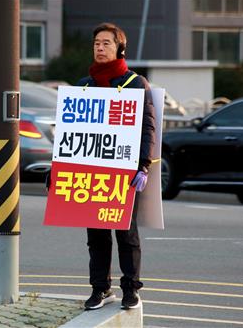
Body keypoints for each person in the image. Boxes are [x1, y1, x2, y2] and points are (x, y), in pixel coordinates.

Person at [77, 23, 156, 310]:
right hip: (91, 172)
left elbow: (148, 127)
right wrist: (58, 168)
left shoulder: (135, 83)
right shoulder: (83, 86)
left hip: (124, 172)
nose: (100, 47)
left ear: (120, 48)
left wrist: (143, 166)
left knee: (125, 232)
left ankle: (131, 290)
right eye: (96, 42)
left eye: (106, 43)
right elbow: (70, 132)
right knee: (96, 235)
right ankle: (100, 289)